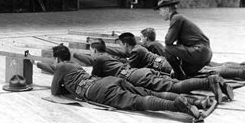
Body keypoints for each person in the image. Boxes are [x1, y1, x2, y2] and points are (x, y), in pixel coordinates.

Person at [50, 44, 201, 120]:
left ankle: (176, 106)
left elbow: (55, 91)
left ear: (57, 59)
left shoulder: (61, 67)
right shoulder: (76, 65)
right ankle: (194, 102)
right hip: (109, 81)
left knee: (138, 101)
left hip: (97, 90)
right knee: (148, 92)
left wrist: (65, 86)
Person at [90, 39, 233, 104]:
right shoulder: (109, 57)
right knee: (176, 82)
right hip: (142, 72)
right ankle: (215, 83)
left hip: (136, 77)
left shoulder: (98, 60)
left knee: (174, 87)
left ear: (95, 51)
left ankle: (209, 81)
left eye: (91, 51)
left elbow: (94, 79)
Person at [155, 0, 212, 79]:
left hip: (199, 52)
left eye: (160, 10)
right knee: (186, 71)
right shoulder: (179, 18)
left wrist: (176, 69)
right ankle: (181, 73)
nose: (160, 13)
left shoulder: (176, 18)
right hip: (205, 54)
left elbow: (168, 41)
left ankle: (180, 76)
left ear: (167, 9)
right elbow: (180, 45)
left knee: (167, 49)